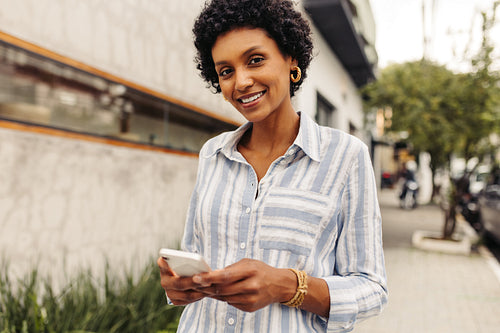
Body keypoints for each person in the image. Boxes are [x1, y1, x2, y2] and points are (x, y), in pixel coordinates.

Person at [157, 0, 387, 331]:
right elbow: (194, 258)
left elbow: (372, 289)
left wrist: (286, 286)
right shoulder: (212, 154)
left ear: (291, 58)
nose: (241, 82)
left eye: (255, 60)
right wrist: (179, 286)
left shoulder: (345, 156)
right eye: (226, 71)